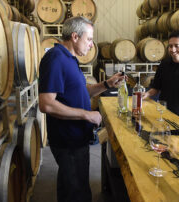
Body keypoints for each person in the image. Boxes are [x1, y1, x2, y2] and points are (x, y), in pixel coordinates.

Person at [38, 16, 124, 202]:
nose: (92, 45)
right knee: (74, 193)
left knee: (77, 187)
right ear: (75, 37)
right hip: (68, 141)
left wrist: (106, 84)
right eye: (89, 39)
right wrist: (87, 114)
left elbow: (80, 92)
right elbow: (46, 103)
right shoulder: (55, 59)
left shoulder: (69, 58)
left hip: (77, 139)